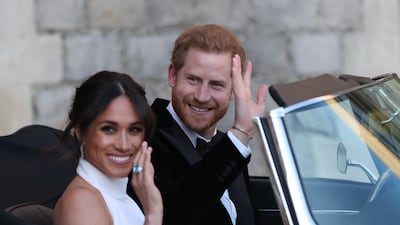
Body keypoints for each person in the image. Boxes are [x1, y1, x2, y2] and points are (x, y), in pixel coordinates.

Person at [131, 24, 268, 225]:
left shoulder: (228, 146)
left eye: (216, 84)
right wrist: (240, 135)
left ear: (233, 91)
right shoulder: (143, 139)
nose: (202, 96)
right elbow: (175, 215)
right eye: (193, 80)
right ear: (172, 75)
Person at [53, 71, 163, 225]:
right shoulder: (82, 202)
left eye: (134, 129)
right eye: (109, 129)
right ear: (80, 132)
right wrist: (153, 216)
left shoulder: (120, 197)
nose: (123, 145)